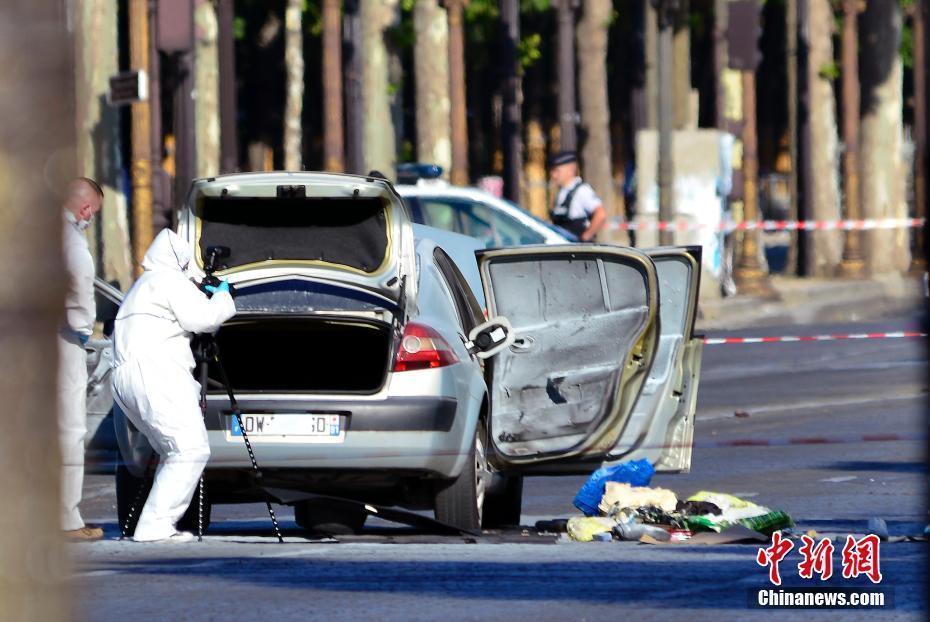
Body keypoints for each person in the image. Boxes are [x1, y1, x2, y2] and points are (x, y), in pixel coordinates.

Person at [111, 229, 236, 542]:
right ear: (180, 261)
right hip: (156, 372)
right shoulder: (168, 281)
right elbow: (205, 319)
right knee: (190, 450)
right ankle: (154, 526)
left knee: (174, 451)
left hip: (130, 377)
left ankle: (153, 524)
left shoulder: (142, 286)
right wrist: (222, 294)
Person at [59, 177, 104, 540]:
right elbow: (79, 293)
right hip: (60, 342)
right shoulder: (72, 242)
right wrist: (85, 331)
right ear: (86, 209)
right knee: (68, 431)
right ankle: (65, 520)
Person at [548, 150, 608, 242]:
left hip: (577, 250)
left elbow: (601, 214)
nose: (553, 175)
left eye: (557, 171)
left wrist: (585, 237)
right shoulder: (562, 192)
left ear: (570, 170)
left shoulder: (582, 191)